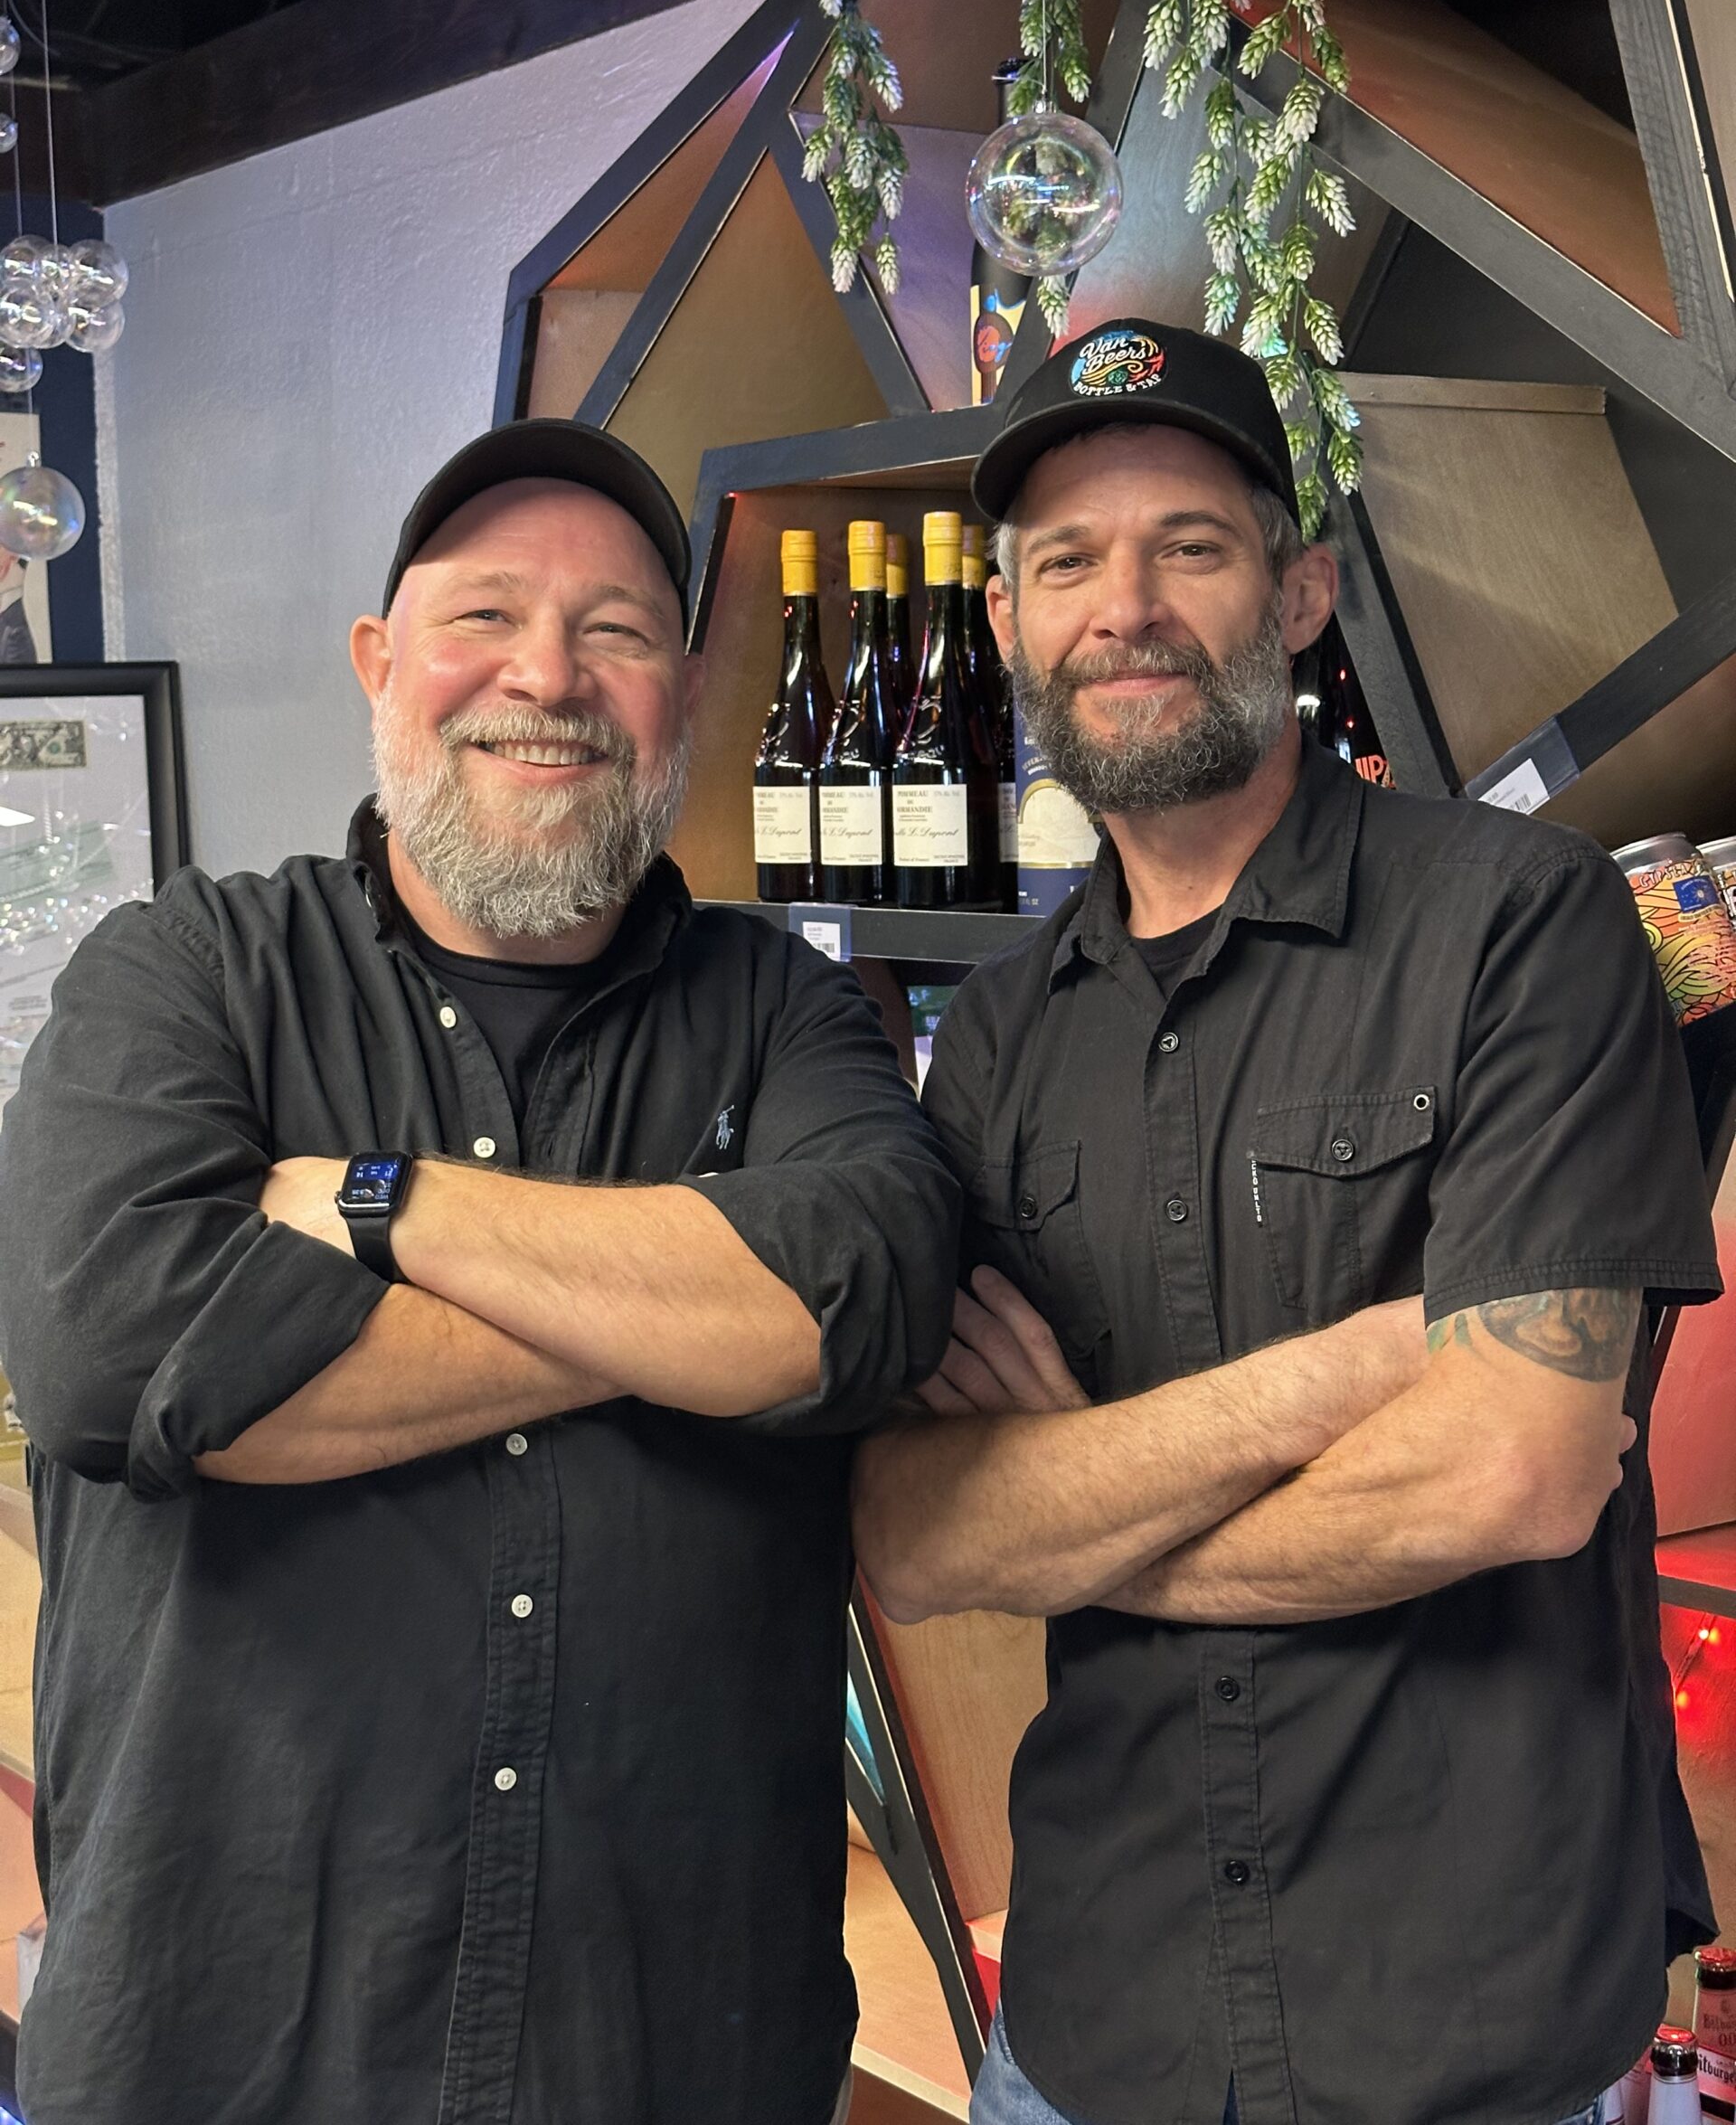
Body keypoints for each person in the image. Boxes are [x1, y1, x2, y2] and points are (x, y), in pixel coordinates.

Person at [0, 418, 959, 2125]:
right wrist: (694, 1303)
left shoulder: (790, 1010)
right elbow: (120, 1358)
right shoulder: (185, 971)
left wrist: (387, 1208)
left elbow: (871, 1287)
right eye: (485, 616)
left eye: (616, 630)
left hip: (671, 2050)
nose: (549, 677)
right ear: (381, 663)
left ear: (684, 691)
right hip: (223, 2047)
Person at [851, 318, 1722, 2125]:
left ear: (1300, 591)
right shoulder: (994, 1042)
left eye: (1190, 544)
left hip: (1464, 2029)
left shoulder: (1523, 927)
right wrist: (1360, 1369)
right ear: (1006, 622)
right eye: (1066, 562)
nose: (1126, 607)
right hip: (1098, 2030)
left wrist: (1082, 1515)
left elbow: (1513, 1472)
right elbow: (917, 1532)